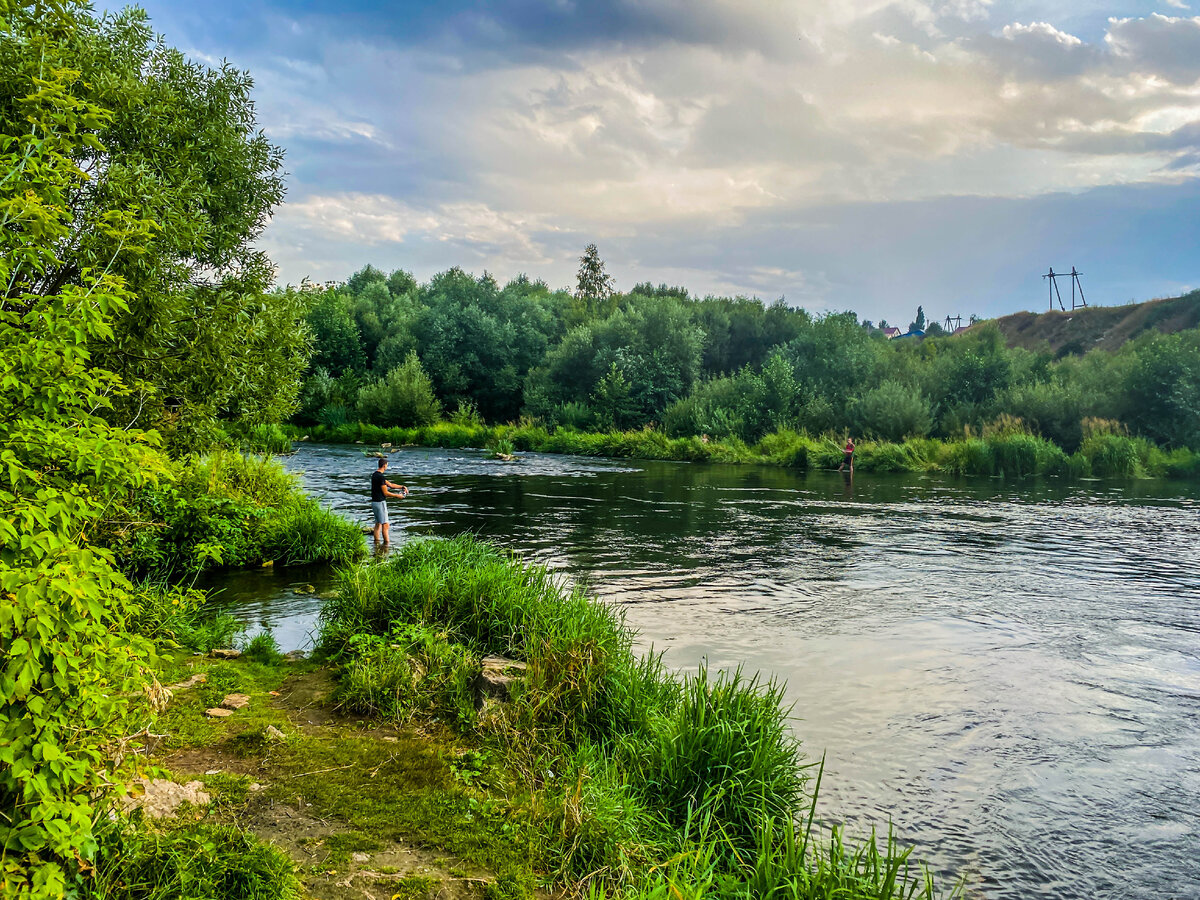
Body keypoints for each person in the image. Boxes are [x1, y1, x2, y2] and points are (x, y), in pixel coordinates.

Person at [370, 457, 408, 544]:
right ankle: (386, 545)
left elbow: (390, 485)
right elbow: (386, 493)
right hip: (380, 503)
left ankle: (376, 544)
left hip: (374, 503)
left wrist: (402, 487)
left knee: (378, 524)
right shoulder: (381, 477)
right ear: (384, 466)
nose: (387, 467)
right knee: (385, 525)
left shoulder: (375, 475)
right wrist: (398, 496)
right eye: (387, 465)